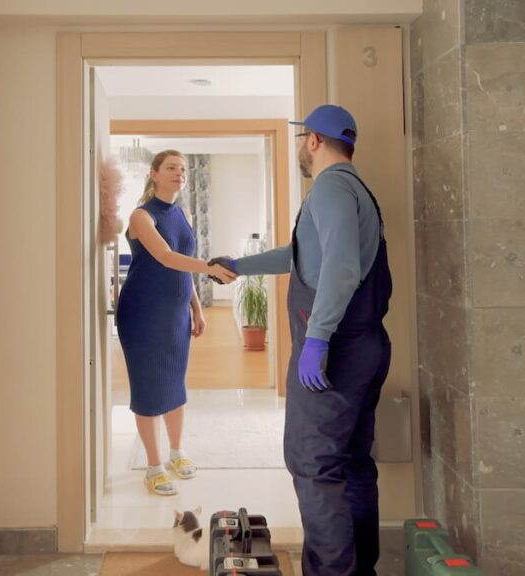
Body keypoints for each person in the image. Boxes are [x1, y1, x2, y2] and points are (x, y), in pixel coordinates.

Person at [211, 105, 392, 575]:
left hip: (336, 355)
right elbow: (304, 257)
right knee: (352, 465)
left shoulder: (330, 188)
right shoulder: (354, 189)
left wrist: (317, 340)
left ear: (313, 140)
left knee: (314, 467)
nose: (298, 147)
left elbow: (341, 268)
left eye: (300, 138)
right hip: (364, 347)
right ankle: (358, 569)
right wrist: (242, 265)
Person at [115, 149, 237, 496]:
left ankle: (177, 452)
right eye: (171, 167)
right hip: (142, 313)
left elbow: (182, 268)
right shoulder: (141, 216)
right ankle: (154, 467)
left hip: (175, 314)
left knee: (174, 384)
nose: (179, 173)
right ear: (154, 174)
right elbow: (167, 258)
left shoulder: (183, 213)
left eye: (182, 169)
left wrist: (196, 307)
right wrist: (211, 268)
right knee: (148, 388)